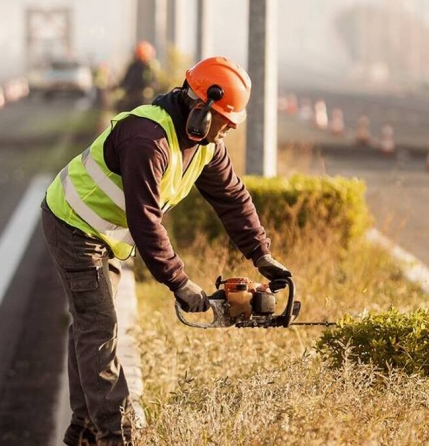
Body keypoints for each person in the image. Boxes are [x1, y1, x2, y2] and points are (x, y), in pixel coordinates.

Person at [40, 56, 292, 446]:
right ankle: (115, 434)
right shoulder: (148, 139)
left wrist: (262, 255)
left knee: (91, 326)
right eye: (226, 121)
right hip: (74, 224)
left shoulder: (205, 145)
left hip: (106, 235)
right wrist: (180, 283)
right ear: (201, 111)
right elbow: (145, 222)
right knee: (98, 329)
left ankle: (84, 428)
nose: (227, 130)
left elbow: (232, 199)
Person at [116, 41, 159, 112]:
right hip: (132, 100)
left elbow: (154, 83)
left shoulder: (149, 68)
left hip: (143, 101)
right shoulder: (133, 67)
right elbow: (125, 81)